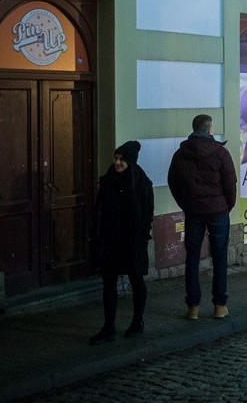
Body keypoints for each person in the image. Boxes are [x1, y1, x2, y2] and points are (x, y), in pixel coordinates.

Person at [168, 114, 238, 320]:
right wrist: (226, 206)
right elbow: (230, 184)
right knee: (219, 257)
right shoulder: (221, 153)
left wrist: (186, 204)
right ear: (209, 129)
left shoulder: (181, 154)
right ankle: (219, 305)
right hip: (218, 212)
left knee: (192, 258)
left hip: (193, 212)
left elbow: (173, 182)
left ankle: (193, 308)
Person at [90, 141, 155, 345]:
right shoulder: (108, 181)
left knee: (136, 280)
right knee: (108, 282)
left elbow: (147, 213)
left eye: (122, 160)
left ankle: (137, 321)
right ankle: (109, 327)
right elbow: (100, 209)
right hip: (111, 240)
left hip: (133, 240)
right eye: (116, 158)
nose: (118, 163)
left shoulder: (141, 183)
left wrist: (143, 235)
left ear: (130, 162)